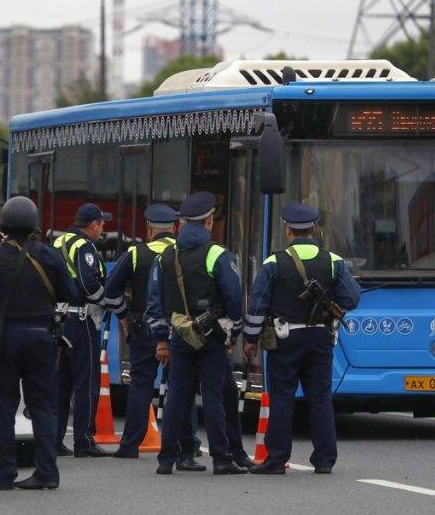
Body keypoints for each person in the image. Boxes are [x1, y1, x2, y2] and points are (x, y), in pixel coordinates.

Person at [244, 202, 361, 475]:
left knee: (282, 397)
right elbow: (352, 298)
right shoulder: (333, 261)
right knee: (320, 398)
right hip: (321, 336)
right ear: (313, 229)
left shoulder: (274, 262)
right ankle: (324, 460)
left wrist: (250, 338)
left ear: (288, 229)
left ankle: (276, 460)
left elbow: (258, 303)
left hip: (285, 338)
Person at [0, 196, 76, 490]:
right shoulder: (49, 256)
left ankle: (4, 475)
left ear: (3, 226)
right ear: (34, 226)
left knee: (4, 407)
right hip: (41, 337)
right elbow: (69, 292)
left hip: (4, 339)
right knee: (43, 406)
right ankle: (47, 473)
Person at [146, 191, 245, 475]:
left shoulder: (166, 255)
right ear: (209, 221)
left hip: (179, 334)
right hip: (211, 336)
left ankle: (167, 459)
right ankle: (222, 459)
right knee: (212, 395)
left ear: (184, 222)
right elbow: (234, 297)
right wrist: (232, 331)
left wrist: (162, 338)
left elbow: (156, 301)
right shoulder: (216, 254)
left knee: (177, 395)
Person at [104, 203, 203, 469]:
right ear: (175, 227)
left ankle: (130, 445)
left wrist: (124, 316)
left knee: (141, 385)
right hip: (180, 329)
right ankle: (189, 445)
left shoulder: (136, 253)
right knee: (181, 388)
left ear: (148, 229)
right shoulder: (184, 252)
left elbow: (110, 291)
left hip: (143, 328)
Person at [54, 203, 113, 457]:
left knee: (61, 383)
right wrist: (108, 299)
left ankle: (55, 439)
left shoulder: (58, 243)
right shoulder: (85, 247)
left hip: (59, 320)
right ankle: (83, 440)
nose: (103, 229)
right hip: (82, 321)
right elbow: (90, 286)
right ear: (93, 225)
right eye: (102, 224)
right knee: (86, 381)